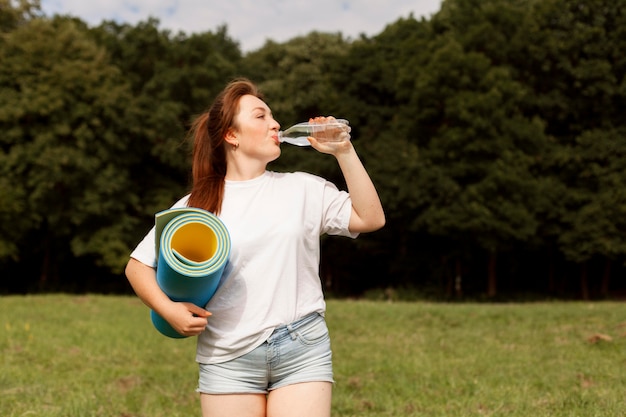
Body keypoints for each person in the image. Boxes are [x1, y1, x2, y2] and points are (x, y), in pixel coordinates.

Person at [125, 78, 385, 417]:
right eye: (261, 116)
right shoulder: (197, 205)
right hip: (227, 355)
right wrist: (168, 310)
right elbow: (137, 265)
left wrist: (343, 152)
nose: (275, 123)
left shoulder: (302, 188)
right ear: (231, 136)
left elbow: (370, 218)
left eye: (273, 116)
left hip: (301, 347)